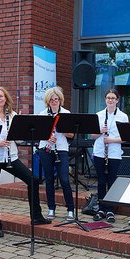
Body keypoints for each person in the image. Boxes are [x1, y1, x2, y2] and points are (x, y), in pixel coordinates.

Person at [0, 87, 51, 237]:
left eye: (2, 96)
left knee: (33, 180)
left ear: (6, 98)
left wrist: (20, 134)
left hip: (10, 156)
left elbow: (18, 137)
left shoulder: (12, 115)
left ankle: (36, 216)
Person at [91, 89, 129, 223]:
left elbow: (125, 138)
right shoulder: (99, 115)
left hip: (114, 153)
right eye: (108, 97)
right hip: (100, 152)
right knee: (101, 181)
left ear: (117, 100)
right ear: (105, 99)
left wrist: (111, 140)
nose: (110, 100)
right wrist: (100, 132)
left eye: (113, 98)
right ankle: (101, 208)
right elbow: (93, 135)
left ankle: (111, 210)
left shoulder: (123, 117)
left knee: (112, 182)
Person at [37, 87, 75, 221]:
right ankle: (51, 208)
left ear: (60, 100)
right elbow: (38, 133)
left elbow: (71, 134)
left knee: (64, 179)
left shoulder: (66, 113)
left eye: (56, 99)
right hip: (46, 148)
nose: (54, 101)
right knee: (49, 180)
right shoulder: (42, 114)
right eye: (51, 100)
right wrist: (47, 136)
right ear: (48, 101)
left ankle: (71, 210)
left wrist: (61, 129)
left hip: (61, 149)